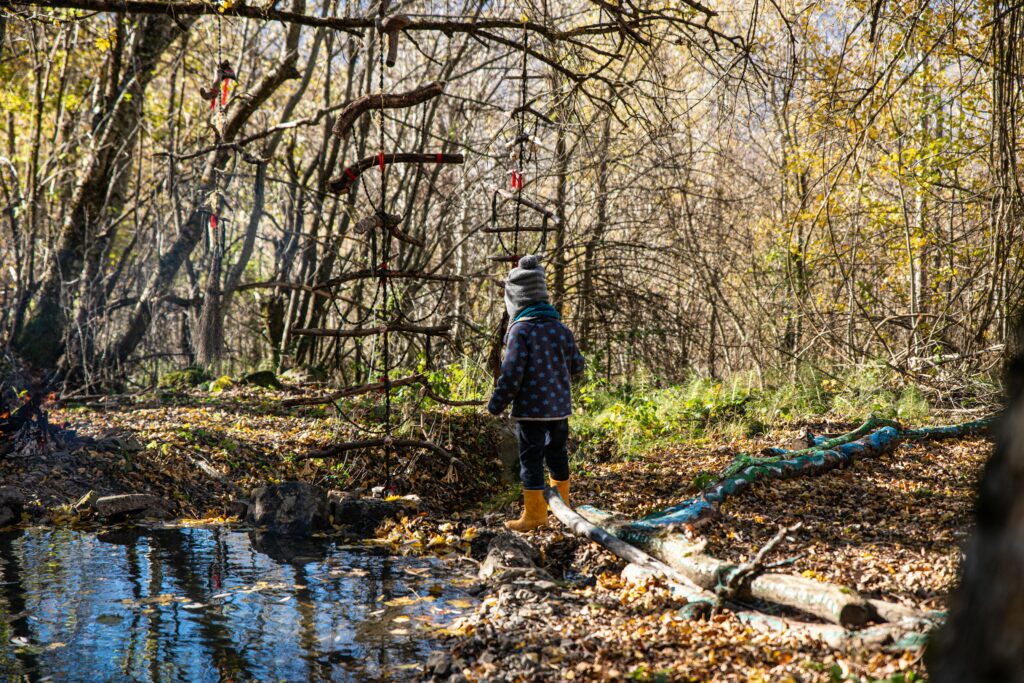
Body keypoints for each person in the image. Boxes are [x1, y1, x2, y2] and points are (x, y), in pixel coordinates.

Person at [487, 255, 585, 531]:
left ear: (516, 300)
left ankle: (535, 515)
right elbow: (578, 366)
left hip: (531, 411)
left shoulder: (520, 330)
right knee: (557, 454)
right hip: (559, 409)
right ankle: (563, 509)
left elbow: (511, 375)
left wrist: (495, 405)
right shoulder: (561, 329)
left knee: (531, 459)